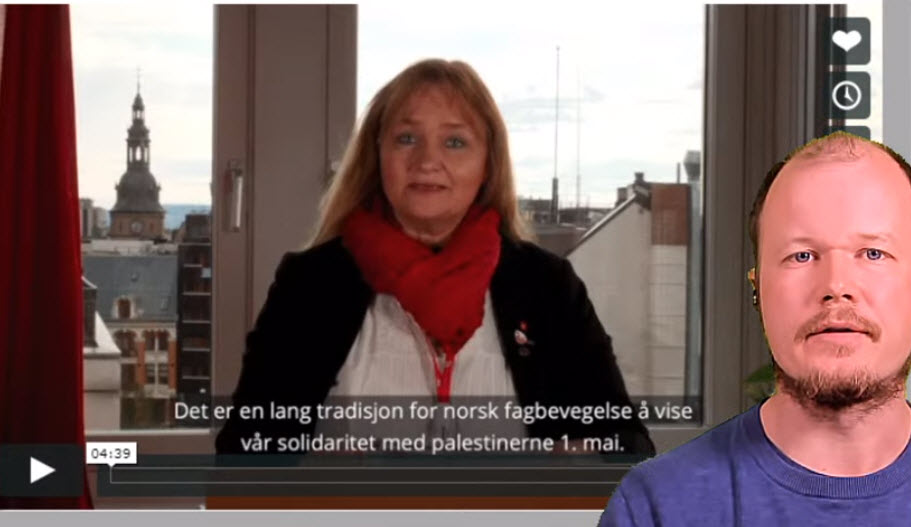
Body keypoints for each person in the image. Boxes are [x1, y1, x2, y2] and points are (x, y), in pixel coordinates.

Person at [215, 59, 654, 457]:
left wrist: (586, 459)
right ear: (378, 156)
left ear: (488, 164)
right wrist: (306, 472)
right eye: (406, 138)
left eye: (455, 142)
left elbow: (630, 445)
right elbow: (240, 454)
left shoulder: (546, 285)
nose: (427, 161)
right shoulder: (311, 284)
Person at [600, 131, 911, 526]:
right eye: (802, 255)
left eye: (873, 253)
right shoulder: (656, 507)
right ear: (757, 289)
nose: (836, 285)